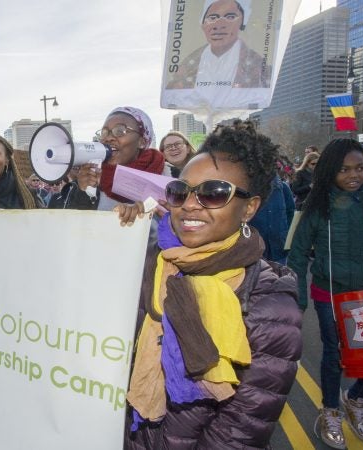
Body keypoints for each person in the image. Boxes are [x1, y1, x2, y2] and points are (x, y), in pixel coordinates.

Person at [118, 120, 302, 449]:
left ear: (249, 208)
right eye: (179, 191)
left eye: (213, 193)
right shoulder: (150, 263)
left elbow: (238, 432)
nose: (190, 204)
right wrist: (118, 233)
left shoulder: (269, 305)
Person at [287, 138, 363, 449]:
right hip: (329, 293)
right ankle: (330, 410)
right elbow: (299, 253)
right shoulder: (317, 206)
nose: (353, 175)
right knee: (334, 356)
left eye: (360, 167)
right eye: (344, 169)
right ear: (330, 171)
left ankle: (355, 399)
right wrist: (298, 299)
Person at [65, 106, 165, 211]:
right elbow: (76, 224)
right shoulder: (90, 177)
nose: (108, 138)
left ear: (141, 142)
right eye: (104, 132)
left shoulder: (169, 178)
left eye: (120, 131)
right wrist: (83, 192)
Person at [166, 0, 271, 91]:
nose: (219, 25)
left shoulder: (258, 65)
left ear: (242, 23)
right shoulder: (187, 65)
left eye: (230, 17)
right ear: (203, 25)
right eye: (212, 18)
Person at [249, 171, 295, 264]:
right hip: (255, 248)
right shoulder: (248, 189)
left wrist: (286, 235)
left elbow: (290, 212)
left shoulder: (282, 188)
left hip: (279, 247)